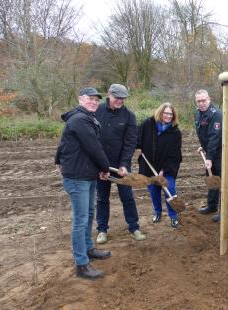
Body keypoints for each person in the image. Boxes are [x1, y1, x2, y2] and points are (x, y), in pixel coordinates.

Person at [55, 87, 112, 280]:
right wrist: (105, 168)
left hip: (87, 175)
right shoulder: (80, 119)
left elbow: (64, 144)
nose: (94, 102)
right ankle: (81, 264)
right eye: (90, 99)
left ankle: (88, 249)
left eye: (97, 100)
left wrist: (58, 160)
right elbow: (93, 147)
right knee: (80, 220)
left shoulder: (85, 118)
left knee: (88, 214)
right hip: (78, 177)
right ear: (80, 99)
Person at [94, 84, 146, 243]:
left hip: (121, 164)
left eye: (123, 98)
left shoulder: (129, 116)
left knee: (127, 196)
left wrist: (124, 164)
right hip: (101, 163)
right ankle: (102, 229)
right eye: (117, 98)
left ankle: (134, 227)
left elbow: (130, 142)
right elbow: (92, 140)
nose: (120, 101)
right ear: (109, 94)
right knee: (102, 198)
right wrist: (99, 165)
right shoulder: (96, 112)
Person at [137, 103, 182, 228]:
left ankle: (173, 216)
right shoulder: (148, 124)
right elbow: (136, 137)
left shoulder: (175, 133)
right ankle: (157, 212)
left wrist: (164, 170)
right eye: (165, 113)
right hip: (149, 167)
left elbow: (175, 155)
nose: (168, 116)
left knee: (170, 191)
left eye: (170, 114)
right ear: (160, 112)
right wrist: (138, 146)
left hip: (166, 169)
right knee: (154, 191)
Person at [194, 89, 228, 222]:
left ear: (209, 99)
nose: (201, 103)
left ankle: (225, 211)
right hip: (209, 150)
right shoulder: (198, 114)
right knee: (211, 178)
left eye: (204, 100)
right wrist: (203, 147)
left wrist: (209, 157)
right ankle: (212, 205)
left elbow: (215, 136)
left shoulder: (216, 115)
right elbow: (203, 133)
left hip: (221, 152)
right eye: (199, 101)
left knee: (223, 180)